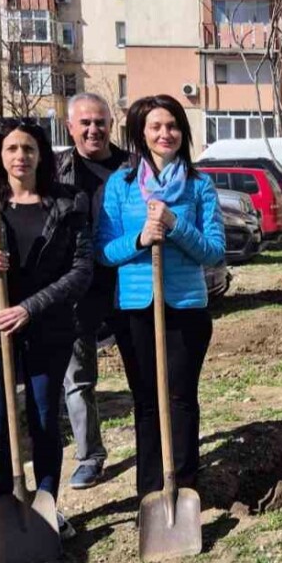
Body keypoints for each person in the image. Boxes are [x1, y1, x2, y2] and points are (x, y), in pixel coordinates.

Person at [0, 119, 93, 538]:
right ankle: (5, 512)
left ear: (40, 154)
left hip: (47, 328)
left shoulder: (66, 204)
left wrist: (29, 308)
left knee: (45, 421)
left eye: (28, 148)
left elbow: (80, 272)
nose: (20, 157)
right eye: (11, 149)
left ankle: (46, 509)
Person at [96, 95, 225, 499]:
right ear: (141, 133)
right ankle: (150, 490)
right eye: (156, 126)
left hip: (186, 307)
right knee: (148, 403)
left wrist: (174, 226)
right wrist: (140, 238)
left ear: (182, 132)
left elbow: (214, 251)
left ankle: (184, 483)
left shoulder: (199, 184)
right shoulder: (122, 184)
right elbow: (105, 250)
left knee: (181, 398)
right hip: (136, 309)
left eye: (172, 126)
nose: (165, 133)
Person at [57, 93, 130, 490]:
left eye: (100, 122)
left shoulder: (133, 168)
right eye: (84, 123)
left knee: (146, 373)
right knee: (79, 378)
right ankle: (89, 456)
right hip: (78, 289)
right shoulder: (57, 172)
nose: (93, 130)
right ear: (70, 127)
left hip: (127, 282)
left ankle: (155, 451)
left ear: (111, 124)